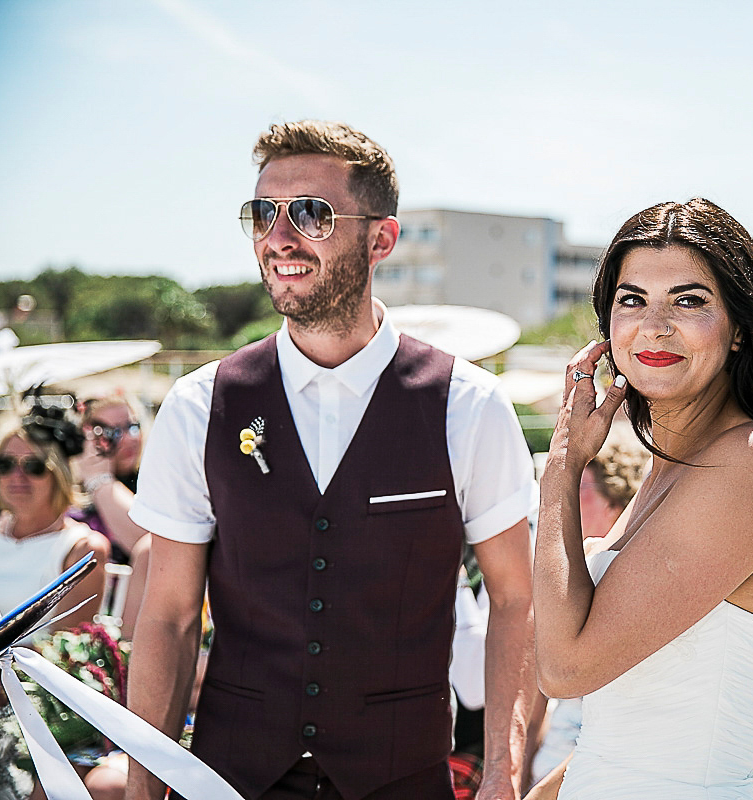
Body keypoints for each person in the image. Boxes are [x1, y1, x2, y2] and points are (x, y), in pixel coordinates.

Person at [125, 121, 536, 800]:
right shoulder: (200, 405)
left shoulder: (469, 404)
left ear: (381, 238)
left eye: (311, 213)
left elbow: (516, 600)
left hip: (401, 779)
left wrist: (502, 771)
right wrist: (144, 788)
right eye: (262, 213)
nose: (278, 237)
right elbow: (167, 614)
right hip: (233, 777)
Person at [531, 198, 753, 798]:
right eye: (631, 299)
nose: (655, 325)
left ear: (740, 328)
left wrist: (562, 465)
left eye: (689, 301)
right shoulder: (671, 470)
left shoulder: (751, 464)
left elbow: (565, 668)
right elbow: (627, 731)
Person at [0, 406, 121, 800]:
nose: (17, 478)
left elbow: (65, 653)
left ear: (58, 472)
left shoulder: (83, 549)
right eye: (5, 464)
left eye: (33, 466)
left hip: (34, 700)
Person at [527, 430, 646, 786]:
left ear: (615, 500)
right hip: (549, 767)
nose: (567, 500)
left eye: (581, 489)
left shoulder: (638, 577)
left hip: (598, 774)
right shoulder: (562, 570)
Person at [70, 393, 151, 635]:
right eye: (109, 432)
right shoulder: (63, 492)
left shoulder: (150, 485)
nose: (128, 439)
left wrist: (99, 480)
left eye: (132, 427)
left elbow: (150, 546)